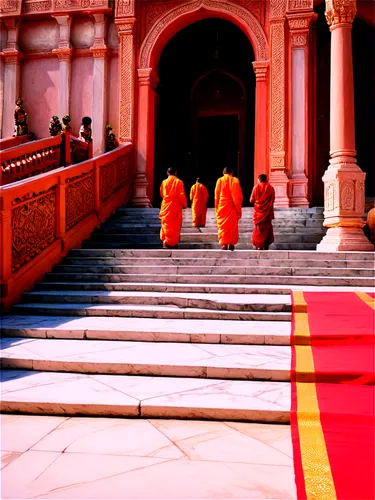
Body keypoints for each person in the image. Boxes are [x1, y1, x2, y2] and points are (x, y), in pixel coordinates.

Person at [215, 167, 243, 251]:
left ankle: (224, 244)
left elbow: (216, 196)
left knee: (223, 227)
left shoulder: (219, 180)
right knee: (232, 226)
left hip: (222, 206)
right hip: (232, 207)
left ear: (223, 172)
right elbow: (237, 196)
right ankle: (231, 244)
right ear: (232, 172)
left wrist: (217, 208)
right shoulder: (235, 180)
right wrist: (238, 208)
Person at [159, 167, 187, 249]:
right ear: (176, 173)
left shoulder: (164, 182)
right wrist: (184, 204)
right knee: (174, 225)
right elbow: (181, 194)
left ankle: (165, 242)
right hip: (174, 205)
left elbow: (161, 193)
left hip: (165, 205)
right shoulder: (178, 182)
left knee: (165, 224)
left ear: (167, 173)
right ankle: (172, 243)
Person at [250, 174, 276, 250]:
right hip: (267, 213)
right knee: (267, 228)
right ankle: (265, 245)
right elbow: (273, 200)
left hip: (258, 213)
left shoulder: (256, 187)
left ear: (259, 180)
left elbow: (251, 200)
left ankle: (259, 246)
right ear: (266, 179)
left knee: (258, 229)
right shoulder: (271, 188)